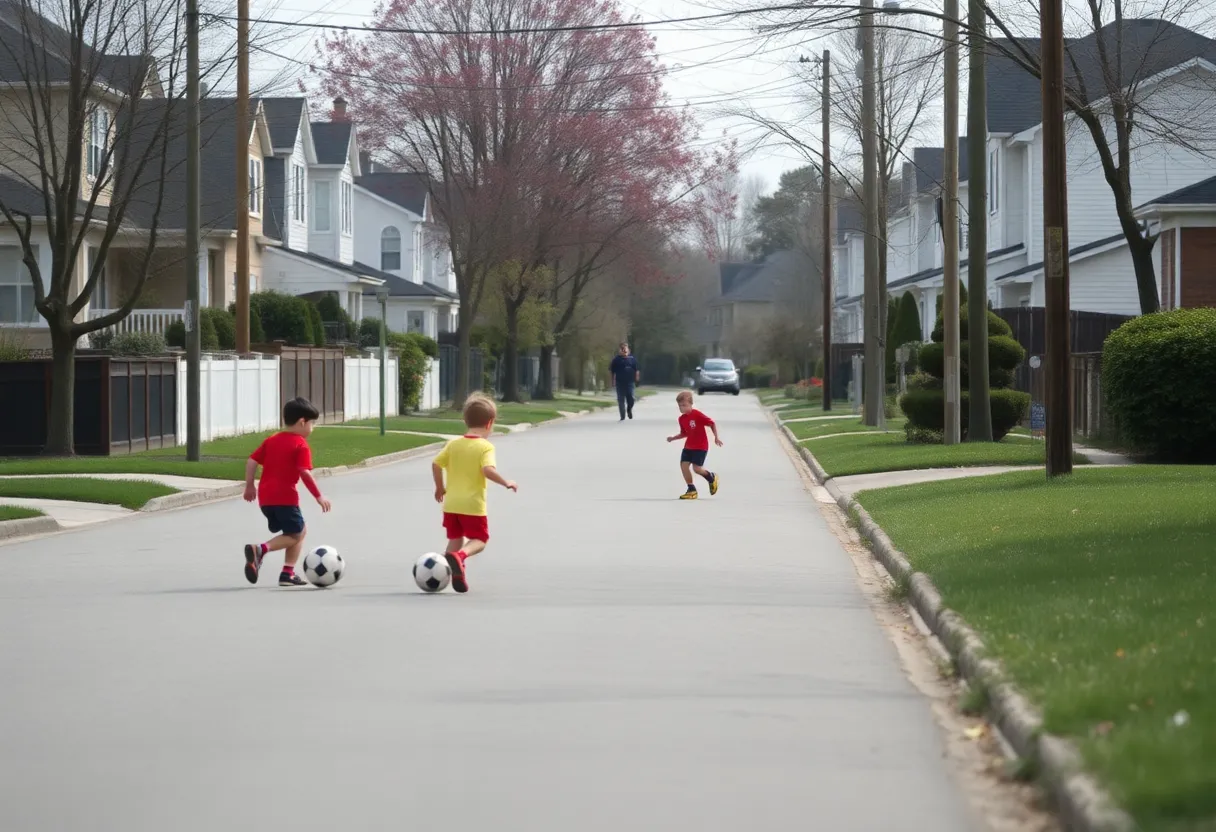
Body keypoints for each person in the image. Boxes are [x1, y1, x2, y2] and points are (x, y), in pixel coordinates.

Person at [432, 393, 518, 593]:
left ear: (465, 421)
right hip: (472, 504)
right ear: (490, 423)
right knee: (480, 539)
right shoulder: (485, 446)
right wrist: (506, 482)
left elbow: (436, 464)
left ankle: (446, 572)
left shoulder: (453, 444)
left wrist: (439, 487)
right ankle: (460, 558)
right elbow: (487, 470)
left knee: (455, 537)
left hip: (451, 504)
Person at [243, 397, 332, 586]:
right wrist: (319, 496)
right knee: (295, 535)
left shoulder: (272, 440)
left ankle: (287, 574)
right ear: (302, 422)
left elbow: (251, 461)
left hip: (266, 499)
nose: (312, 428)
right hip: (285, 498)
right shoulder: (300, 444)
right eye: (312, 423)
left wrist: (250, 485)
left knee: (299, 530)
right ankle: (260, 549)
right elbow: (305, 473)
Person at [666, 391, 723, 500]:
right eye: (680, 406)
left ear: (691, 404)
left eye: (684, 405)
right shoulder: (681, 419)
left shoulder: (697, 414)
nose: (682, 408)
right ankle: (691, 489)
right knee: (683, 466)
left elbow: (711, 423)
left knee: (697, 469)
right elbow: (684, 433)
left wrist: (716, 437)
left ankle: (711, 477)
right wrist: (673, 438)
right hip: (688, 447)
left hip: (700, 447)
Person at [609, 341, 640, 421]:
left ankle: (629, 409)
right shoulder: (616, 360)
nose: (624, 350)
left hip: (630, 382)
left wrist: (637, 379)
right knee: (621, 400)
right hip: (620, 383)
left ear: (628, 349)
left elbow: (636, 370)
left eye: (625, 348)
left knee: (631, 398)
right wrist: (613, 381)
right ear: (620, 350)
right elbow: (612, 372)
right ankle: (622, 416)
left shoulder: (632, 359)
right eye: (622, 349)